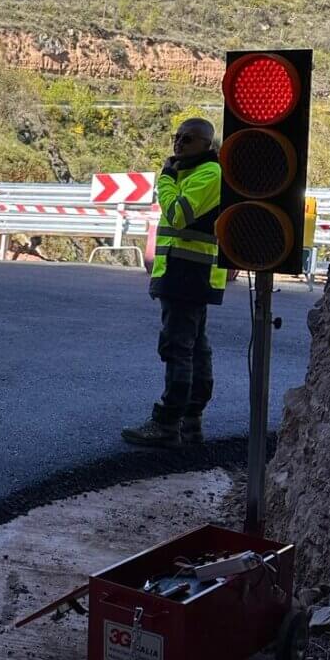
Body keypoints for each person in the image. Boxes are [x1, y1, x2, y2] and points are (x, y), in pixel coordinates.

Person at [122, 116, 227, 448]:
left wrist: (164, 179)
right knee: (193, 346)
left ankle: (169, 422)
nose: (178, 143)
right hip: (183, 273)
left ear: (207, 146)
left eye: (188, 139)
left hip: (188, 274)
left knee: (179, 348)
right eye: (177, 136)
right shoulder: (194, 172)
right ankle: (190, 421)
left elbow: (178, 213)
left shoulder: (209, 173)